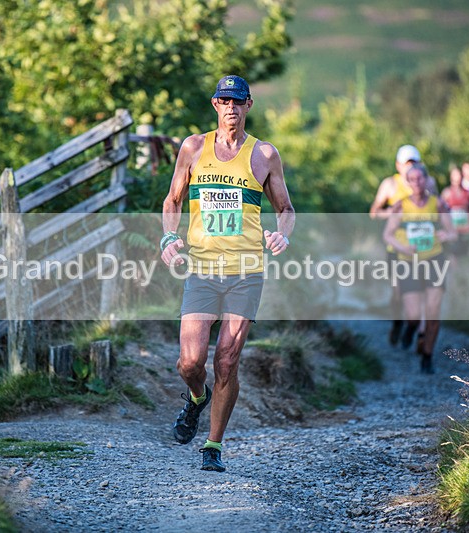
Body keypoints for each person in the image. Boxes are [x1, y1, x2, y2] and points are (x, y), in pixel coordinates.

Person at [160, 75, 295, 472]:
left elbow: (285, 210)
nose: (231, 108)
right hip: (202, 269)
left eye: (238, 102)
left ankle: (213, 445)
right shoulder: (193, 147)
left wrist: (282, 237)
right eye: (224, 101)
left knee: (228, 360)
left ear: (249, 105)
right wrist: (169, 236)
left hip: (245, 271)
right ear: (215, 104)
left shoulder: (265, 155)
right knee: (190, 362)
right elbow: (172, 199)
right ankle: (196, 398)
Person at [383, 163, 456, 374]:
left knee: (433, 312)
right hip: (408, 263)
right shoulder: (400, 205)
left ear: (426, 180)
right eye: (412, 179)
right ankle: (410, 329)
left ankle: (427, 356)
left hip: (434, 260)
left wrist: (445, 235)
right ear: (407, 182)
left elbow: (452, 232)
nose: (416, 183)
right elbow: (387, 235)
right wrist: (403, 247)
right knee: (414, 316)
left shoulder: (437, 203)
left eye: (420, 179)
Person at [370, 145, 436, 346]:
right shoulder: (390, 184)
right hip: (397, 249)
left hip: (425, 248)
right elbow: (374, 212)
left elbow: (438, 208)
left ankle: (420, 333)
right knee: (399, 293)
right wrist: (392, 213)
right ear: (398, 165)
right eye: (407, 163)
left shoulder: (428, 182)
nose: (411, 166)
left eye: (414, 162)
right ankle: (400, 323)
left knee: (425, 291)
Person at [440, 165, 469, 258]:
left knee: (466, 255)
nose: (457, 178)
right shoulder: (447, 192)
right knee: (453, 255)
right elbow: (441, 210)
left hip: (465, 229)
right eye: (454, 175)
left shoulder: (468, 193)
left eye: (458, 175)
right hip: (452, 229)